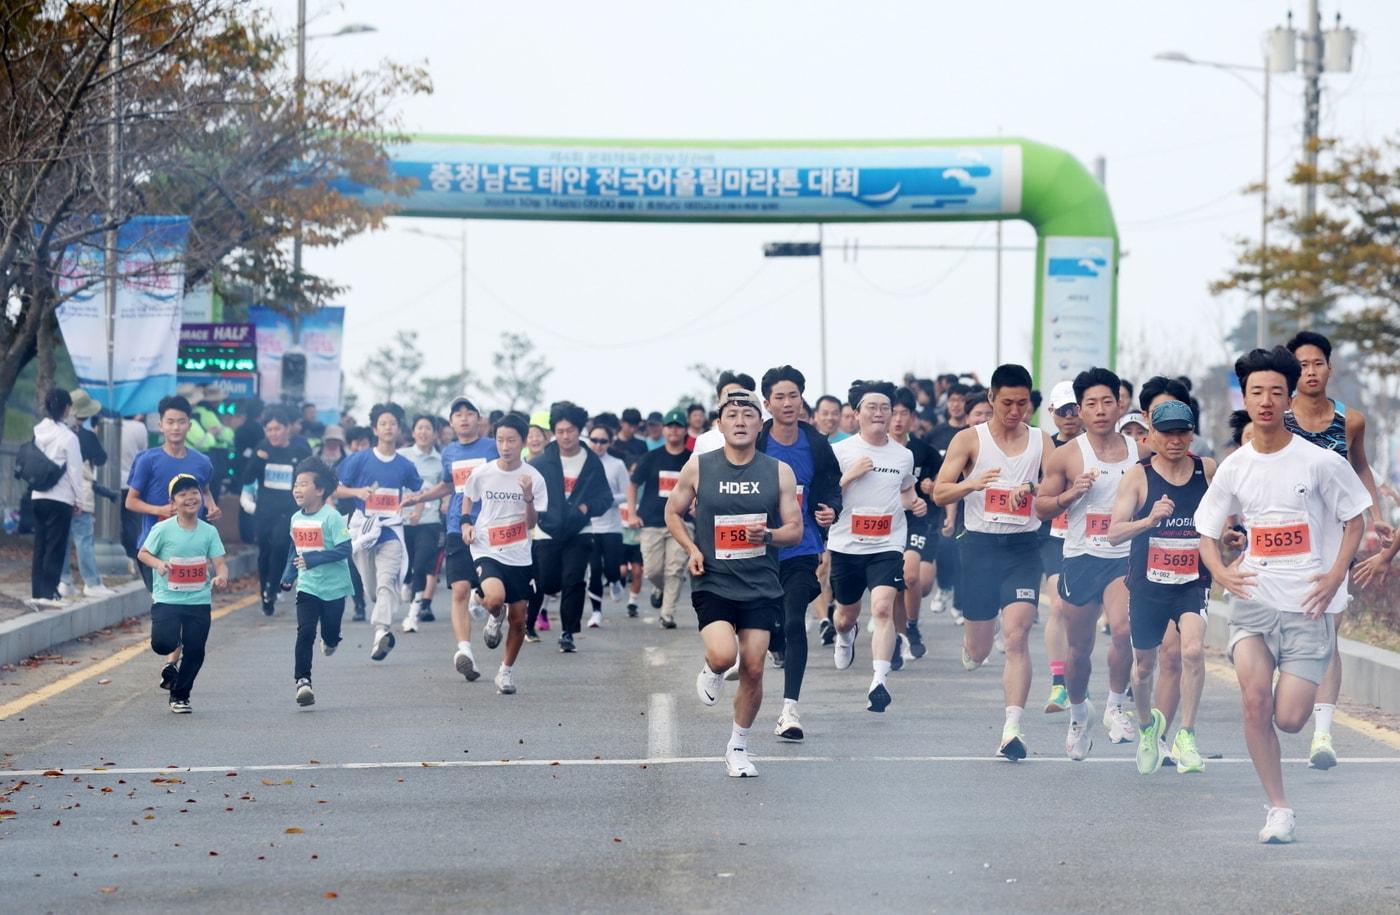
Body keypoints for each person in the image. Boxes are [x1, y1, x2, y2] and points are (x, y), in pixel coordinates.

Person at [1197, 346, 1369, 844]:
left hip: (1308, 606)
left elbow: (1355, 517)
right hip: (1253, 601)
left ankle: (1293, 719)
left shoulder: (1318, 461)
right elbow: (1207, 532)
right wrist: (1222, 576)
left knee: (1289, 719)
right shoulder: (1234, 466)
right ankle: (1278, 807)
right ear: (1246, 398)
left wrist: (1336, 573)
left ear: (1289, 396)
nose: (1267, 401)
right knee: (1254, 701)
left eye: (1276, 391)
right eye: (1257, 392)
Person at [667, 389, 803, 777]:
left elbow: (794, 530)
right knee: (726, 656)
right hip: (713, 579)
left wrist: (770, 536)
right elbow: (672, 512)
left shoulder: (778, 471)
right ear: (720, 424)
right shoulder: (699, 467)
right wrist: (692, 548)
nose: (740, 421)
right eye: (732, 415)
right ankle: (712, 668)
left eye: (748, 415)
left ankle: (738, 747)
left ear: (761, 425)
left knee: (755, 669)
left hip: (761, 583)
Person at [1283, 330, 1390, 771]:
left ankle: (1323, 734)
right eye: (1302, 365)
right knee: (1287, 631)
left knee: (1327, 633)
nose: (1310, 372)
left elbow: (1360, 466)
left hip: (1335, 536)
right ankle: (1289, 697)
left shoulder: (1351, 421)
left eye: (1317, 363)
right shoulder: (1276, 418)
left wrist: (1376, 514)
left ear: (1330, 367)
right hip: (1285, 535)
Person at [935, 364, 1052, 759]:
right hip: (979, 547)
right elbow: (939, 492)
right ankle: (974, 647)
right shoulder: (970, 439)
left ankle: (1012, 729)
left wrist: (1033, 487)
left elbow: (1057, 483)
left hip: (1023, 548)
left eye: (1023, 403)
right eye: (1007, 403)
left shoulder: (1041, 440)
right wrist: (971, 483)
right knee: (981, 648)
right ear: (991, 399)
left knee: (1018, 635)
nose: (1016, 411)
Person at [1036, 367, 1144, 760]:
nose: (1100, 410)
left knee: (1123, 630)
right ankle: (1080, 714)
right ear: (1080, 410)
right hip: (1081, 556)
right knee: (1079, 650)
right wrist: (1070, 496)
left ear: (1120, 405)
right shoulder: (1066, 455)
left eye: (1107, 402)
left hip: (1124, 558)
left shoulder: (1140, 453)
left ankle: (1116, 705)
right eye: (1091, 404)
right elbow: (1041, 508)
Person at [1107, 400, 1216, 775]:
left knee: (1192, 652)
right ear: (1152, 435)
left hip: (1192, 581)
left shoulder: (1207, 470)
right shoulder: (1138, 476)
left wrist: (1230, 539)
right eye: (1167, 432)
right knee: (1143, 668)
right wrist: (1150, 519)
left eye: (1183, 432)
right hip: (1148, 584)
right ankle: (1146, 727)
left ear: (1192, 434)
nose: (1175, 439)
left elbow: (1222, 521)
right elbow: (1113, 533)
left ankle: (1186, 733)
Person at [755, 366, 842, 741]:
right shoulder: (753, 441)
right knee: (768, 623)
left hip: (802, 546)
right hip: (757, 549)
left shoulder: (816, 443)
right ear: (767, 403)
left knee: (793, 620)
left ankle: (789, 709)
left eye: (794, 395)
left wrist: (830, 510)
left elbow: (831, 487)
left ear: (802, 399)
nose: (788, 403)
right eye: (780, 397)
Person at [828, 380, 920, 714]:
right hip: (846, 545)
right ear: (856, 413)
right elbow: (825, 496)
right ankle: (844, 635)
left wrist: (915, 502)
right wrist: (850, 475)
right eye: (872, 407)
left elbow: (906, 492)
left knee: (882, 608)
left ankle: (878, 682)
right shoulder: (840, 452)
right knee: (845, 615)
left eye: (886, 407)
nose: (880, 413)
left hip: (888, 543)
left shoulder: (903, 455)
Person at [401, 396, 499, 679]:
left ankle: (494, 614)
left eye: (470, 413)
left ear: (479, 419)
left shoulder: (493, 448)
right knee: (459, 590)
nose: (465, 418)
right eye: (459, 415)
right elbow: (447, 485)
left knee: (492, 596)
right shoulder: (450, 453)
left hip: (490, 528)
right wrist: (420, 496)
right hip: (457, 526)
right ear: (452, 422)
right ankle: (465, 651)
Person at [460, 413, 548, 694]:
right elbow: (467, 497)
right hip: (487, 546)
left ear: (522, 442)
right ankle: (491, 609)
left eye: (511, 440)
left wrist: (527, 496)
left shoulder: (533, 477)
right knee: (496, 598)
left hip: (520, 553)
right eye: (500, 440)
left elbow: (532, 524)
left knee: (520, 619)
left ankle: (505, 673)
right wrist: (465, 523)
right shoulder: (483, 472)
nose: (505, 446)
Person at [333, 403, 423, 662]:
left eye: (392, 423)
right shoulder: (359, 460)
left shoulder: (405, 465)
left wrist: (417, 509)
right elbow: (336, 489)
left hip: (392, 531)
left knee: (386, 582)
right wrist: (356, 493)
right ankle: (381, 621)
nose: (388, 427)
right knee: (372, 589)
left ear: (398, 429)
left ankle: (381, 631)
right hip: (363, 531)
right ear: (375, 428)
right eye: (383, 423)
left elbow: (418, 492)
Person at [137, 474, 229, 714]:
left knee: (196, 650)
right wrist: (158, 564)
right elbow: (143, 553)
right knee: (162, 643)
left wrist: (221, 576)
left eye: (193, 492)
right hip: (168, 599)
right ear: (173, 502)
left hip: (198, 600)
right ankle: (174, 644)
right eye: (182, 494)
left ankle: (180, 695)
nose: (189, 498)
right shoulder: (163, 529)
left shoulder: (209, 532)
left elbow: (220, 562)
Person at [527, 401, 612, 652]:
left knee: (573, 580)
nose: (566, 436)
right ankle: (528, 622)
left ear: (580, 430)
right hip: (547, 531)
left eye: (571, 430)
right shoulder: (541, 463)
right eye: (561, 431)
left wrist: (587, 508)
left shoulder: (592, 462)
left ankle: (568, 632)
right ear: (554, 432)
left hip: (579, 532)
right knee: (547, 582)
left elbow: (605, 498)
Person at [125, 395, 221, 593]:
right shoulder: (147, 460)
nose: (175, 427)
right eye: (170, 422)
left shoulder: (202, 462)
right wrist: (158, 509)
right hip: (154, 548)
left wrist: (211, 507)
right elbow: (130, 502)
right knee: (163, 606)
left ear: (190, 425)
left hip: (191, 547)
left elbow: (205, 492)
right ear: (161, 425)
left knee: (189, 605)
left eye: (181, 422)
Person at [280, 458, 353, 707]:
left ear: (320, 490)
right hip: (308, 586)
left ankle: (331, 639)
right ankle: (303, 681)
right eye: (295, 484)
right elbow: (295, 549)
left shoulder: (331, 517)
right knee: (305, 631)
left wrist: (315, 558)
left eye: (303, 484)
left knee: (329, 633)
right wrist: (288, 576)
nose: (297, 489)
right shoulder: (295, 519)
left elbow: (345, 549)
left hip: (334, 588)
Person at [243, 405, 313, 615]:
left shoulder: (299, 451)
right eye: (270, 429)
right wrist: (258, 459)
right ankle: (266, 592)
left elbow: (309, 480)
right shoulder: (261, 449)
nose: (274, 433)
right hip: (264, 510)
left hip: (289, 511)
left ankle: (274, 586)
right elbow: (246, 478)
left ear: (288, 429)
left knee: (280, 543)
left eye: (278, 428)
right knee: (264, 551)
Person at [627, 410, 692, 628]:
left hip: (683, 523)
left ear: (685, 430)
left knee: (675, 568)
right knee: (653, 570)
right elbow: (633, 483)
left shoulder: (692, 460)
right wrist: (632, 513)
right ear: (663, 429)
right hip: (652, 522)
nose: (673, 429)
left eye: (678, 426)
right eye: (669, 425)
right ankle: (659, 587)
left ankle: (667, 614)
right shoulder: (651, 457)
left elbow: (701, 487)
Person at [1039, 380, 1081, 714]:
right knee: (1058, 607)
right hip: (1053, 537)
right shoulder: (1043, 448)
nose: (1070, 416)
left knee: (1088, 615)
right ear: (1051, 413)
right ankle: (1059, 685)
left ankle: (1117, 688)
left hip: (1096, 540)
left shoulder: (1098, 446)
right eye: (1063, 410)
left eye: (1075, 408)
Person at [890, 388, 940, 663]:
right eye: (893, 413)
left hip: (916, 522)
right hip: (884, 525)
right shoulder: (876, 451)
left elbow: (943, 484)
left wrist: (931, 488)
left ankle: (911, 626)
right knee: (894, 586)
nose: (898, 419)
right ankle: (895, 639)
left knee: (911, 578)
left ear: (912, 417)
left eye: (904, 414)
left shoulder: (924, 452)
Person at [28, 389, 84, 608]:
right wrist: (79, 500)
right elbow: (75, 471)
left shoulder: (37, 431)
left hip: (37, 495)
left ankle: (37, 591)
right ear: (67, 408)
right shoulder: (69, 437)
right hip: (60, 498)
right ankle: (49, 591)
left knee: (40, 544)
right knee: (56, 546)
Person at [60, 389, 115, 598]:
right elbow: (101, 459)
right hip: (81, 493)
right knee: (84, 539)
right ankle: (92, 582)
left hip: (60, 494)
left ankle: (64, 581)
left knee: (63, 539)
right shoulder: (86, 436)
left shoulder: (59, 433)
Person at [399, 415, 446, 629]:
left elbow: (446, 487)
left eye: (428, 428)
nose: (424, 432)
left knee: (421, 566)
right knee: (406, 567)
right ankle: (407, 581)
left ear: (435, 434)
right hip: (403, 521)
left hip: (430, 521)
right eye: (420, 428)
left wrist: (444, 502)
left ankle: (413, 614)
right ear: (413, 432)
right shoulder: (402, 456)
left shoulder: (441, 460)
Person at [584, 419, 629, 627]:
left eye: (603, 441)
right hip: (589, 526)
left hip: (612, 526)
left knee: (612, 569)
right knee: (594, 569)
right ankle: (596, 612)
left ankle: (615, 582)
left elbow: (627, 494)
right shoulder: (583, 462)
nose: (598, 445)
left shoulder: (617, 465)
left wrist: (608, 500)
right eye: (594, 440)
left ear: (610, 442)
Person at [692, 371, 756, 456]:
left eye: (738, 395)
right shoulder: (705, 441)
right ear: (719, 402)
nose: (733, 401)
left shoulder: (759, 436)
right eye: (727, 396)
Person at [119, 412, 149, 562]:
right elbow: (144, 452)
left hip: (108, 482)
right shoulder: (139, 427)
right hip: (132, 482)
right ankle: (132, 555)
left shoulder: (109, 424)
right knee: (131, 521)